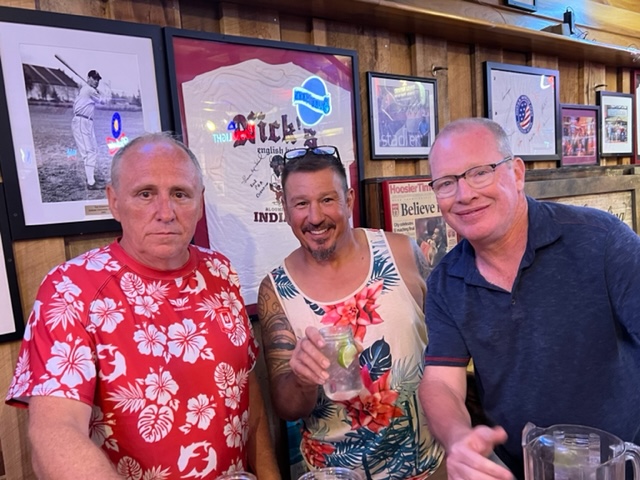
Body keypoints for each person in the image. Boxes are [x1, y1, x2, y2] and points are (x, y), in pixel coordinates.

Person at [5, 133, 281, 480]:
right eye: (145, 194)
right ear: (114, 201)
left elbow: (245, 390)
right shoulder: (70, 289)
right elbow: (55, 432)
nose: (165, 213)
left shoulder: (220, 271)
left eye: (180, 194)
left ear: (200, 203)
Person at [418, 117, 640, 480]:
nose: (464, 194)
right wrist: (458, 438)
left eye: (479, 173)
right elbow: (441, 382)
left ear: (517, 173)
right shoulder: (446, 281)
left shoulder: (601, 241)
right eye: (446, 183)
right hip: (521, 469)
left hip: (620, 466)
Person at [257, 145, 445, 479]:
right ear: (285, 209)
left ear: (349, 200)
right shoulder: (276, 290)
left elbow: (446, 344)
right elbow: (287, 408)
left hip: (427, 466)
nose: (315, 217)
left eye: (327, 199)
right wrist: (302, 379)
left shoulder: (402, 252)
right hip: (334, 474)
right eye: (301, 203)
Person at [72, 69, 102, 189]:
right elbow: (101, 100)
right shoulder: (88, 90)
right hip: (81, 121)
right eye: (94, 79)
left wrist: (96, 91)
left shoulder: (87, 89)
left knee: (93, 150)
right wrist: (98, 92)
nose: (96, 81)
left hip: (87, 122)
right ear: (88, 78)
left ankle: (90, 178)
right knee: (89, 152)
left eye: (98, 79)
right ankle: (90, 182)